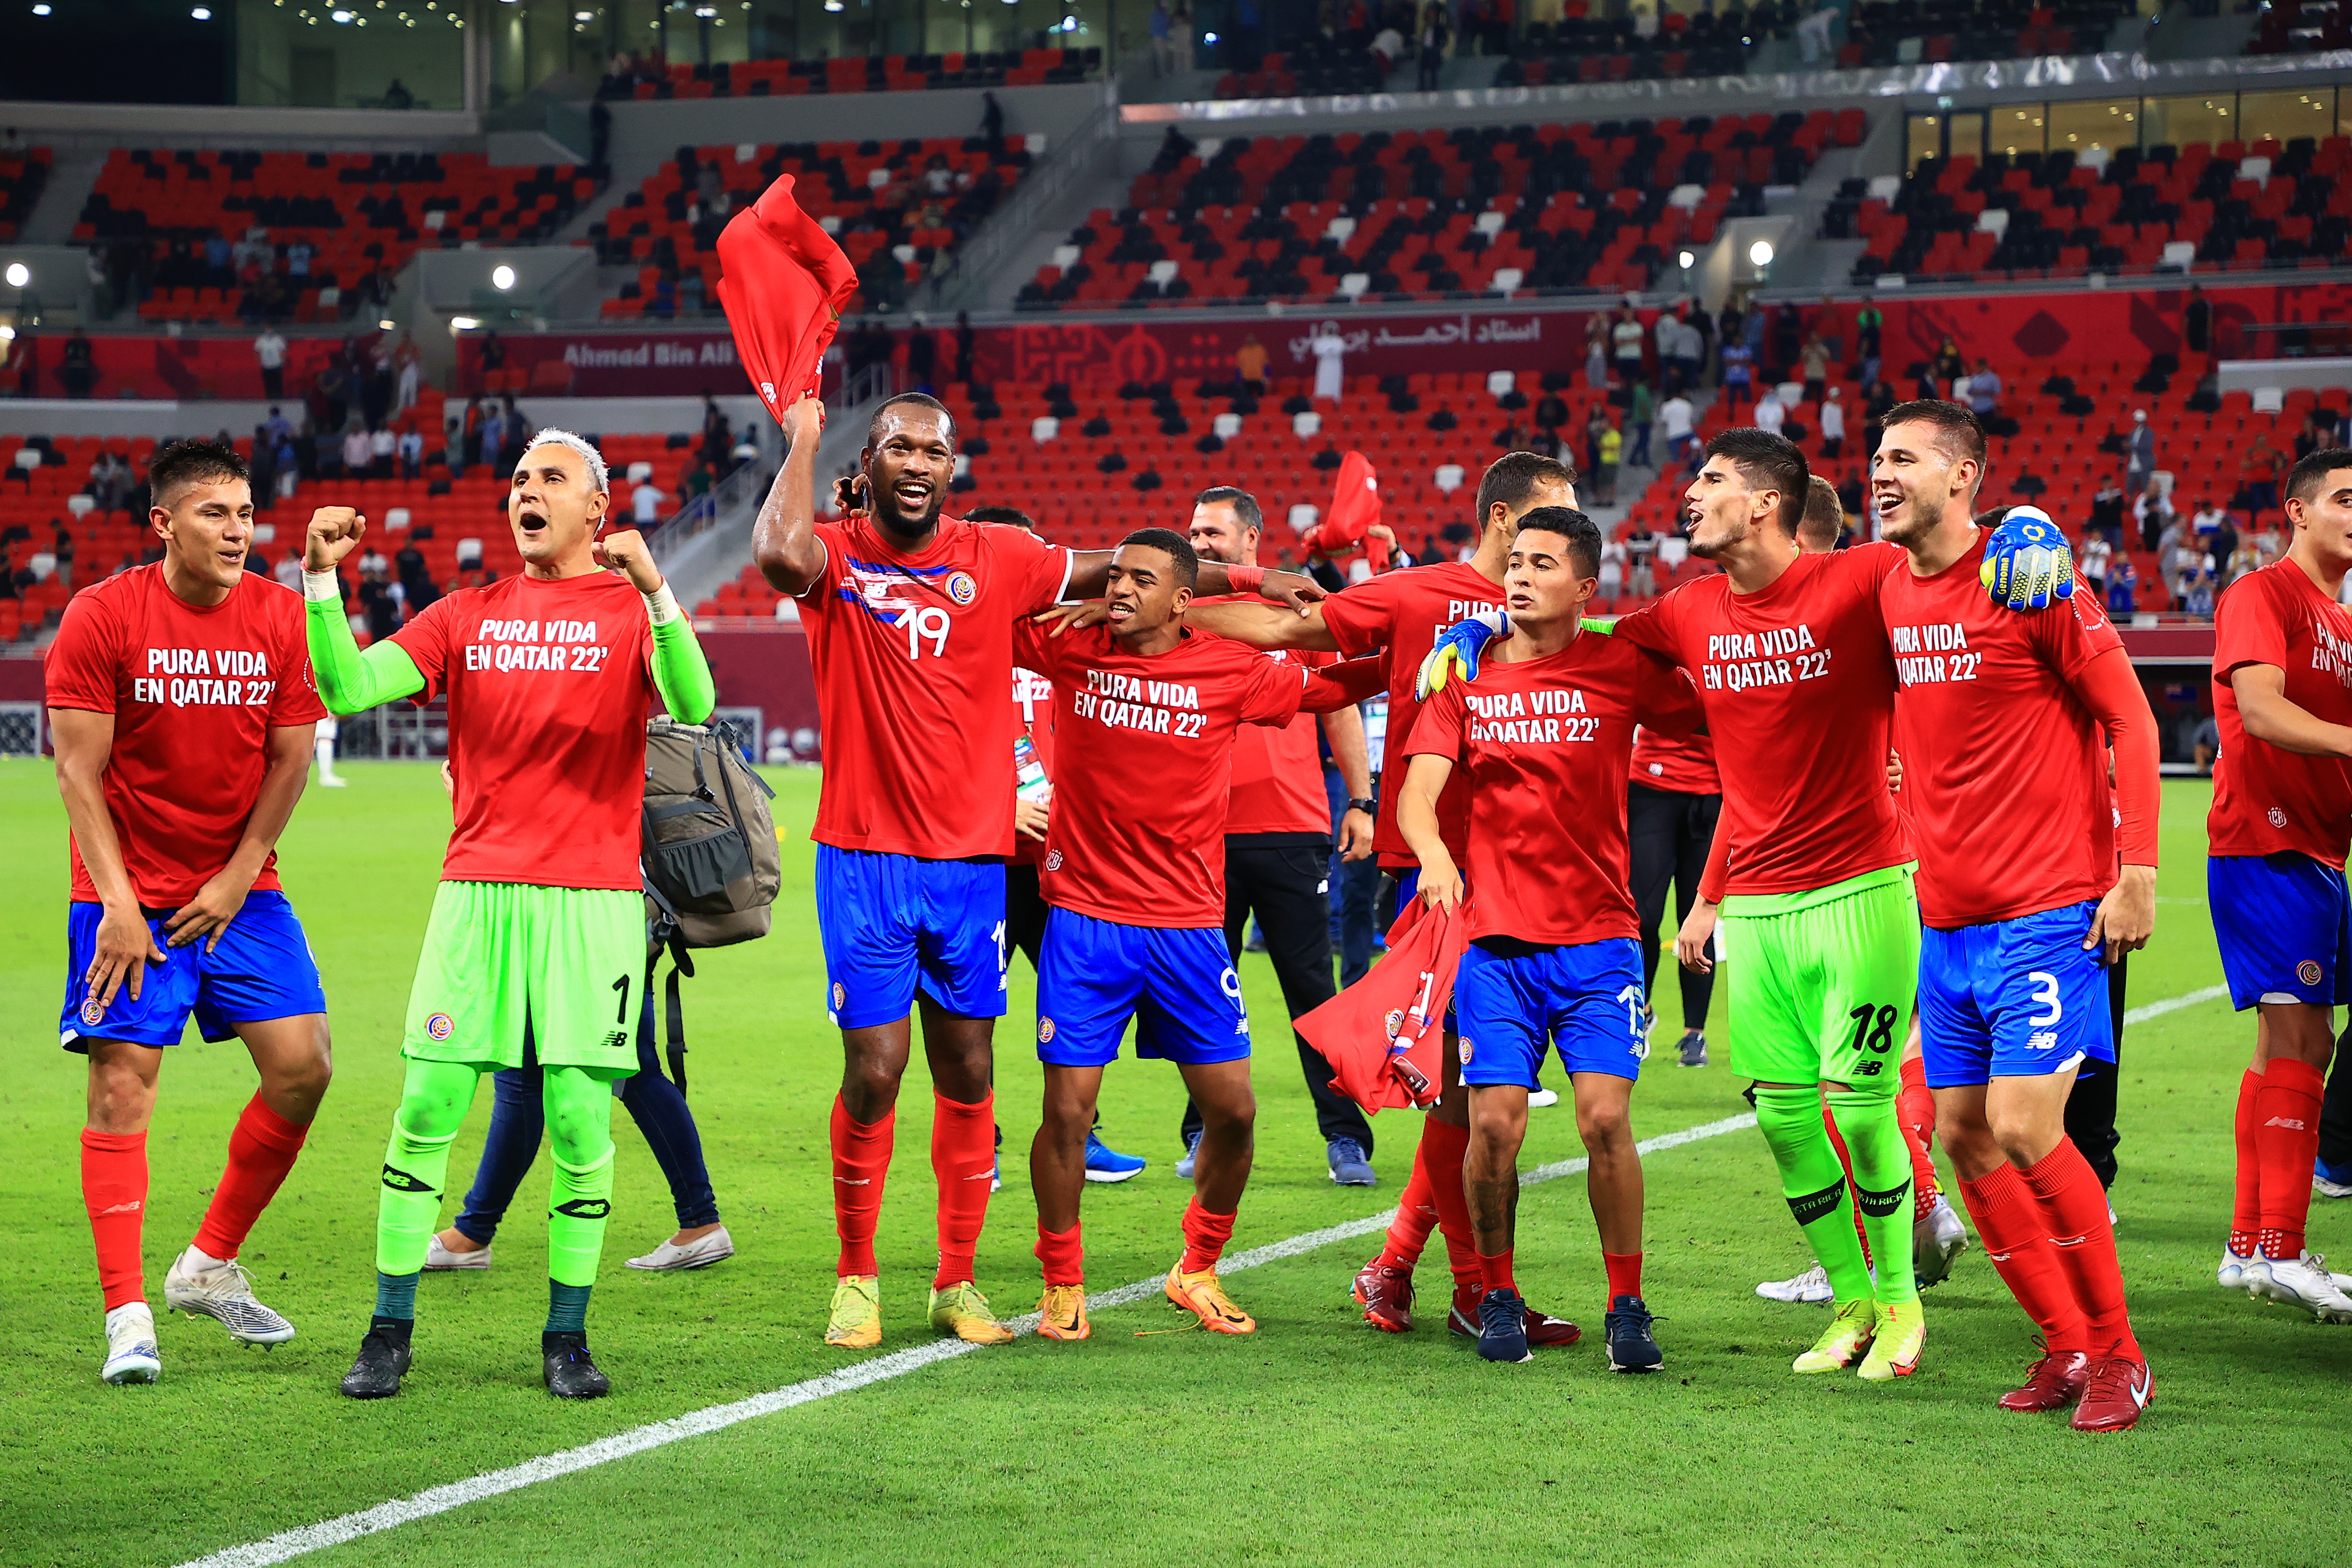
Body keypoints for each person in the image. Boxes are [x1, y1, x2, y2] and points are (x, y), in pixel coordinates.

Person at [750, 392, 1319, 1352]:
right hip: (865, 855)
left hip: (972, 862)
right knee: (877, 1072)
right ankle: (856, 1273)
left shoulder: (1002, 559)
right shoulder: (839, 556)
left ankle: (957, 1281)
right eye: (899, 446)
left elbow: (1136, 569)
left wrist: (1257, 576)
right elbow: (775, 552)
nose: (920, 461)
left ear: (954, 467)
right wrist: (803, 439)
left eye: (936, 449)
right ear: (874, 461)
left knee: (969, 1070)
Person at [306, 430, 717, 1400]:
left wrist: (657, 590)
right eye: (521, 479)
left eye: (551, 479)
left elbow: (694, 703)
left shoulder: (627, 611)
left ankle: (566, 1340)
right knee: (427, 1108)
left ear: (595, 512)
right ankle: (387, 1331)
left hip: (595, 902)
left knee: (579, 1117)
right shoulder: (468, 613)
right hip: (478, 893)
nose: (526, 492)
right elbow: (347, 687)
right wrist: (321, 582)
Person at [1178, 452, 1587, 1344]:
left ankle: (1400, 1266)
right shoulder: (1414, 597)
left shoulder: (1561, 618)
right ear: (1507, 519)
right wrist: (1175, 611)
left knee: (1473, 1091)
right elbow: (1296, 632)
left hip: (1538, 877)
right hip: (1444, 875)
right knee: (1467, 1093)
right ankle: (1472, 1290)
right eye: (1560, 512)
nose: (1574, 528)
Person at [1615, 430, 1929, 1382]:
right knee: (1788, 1121)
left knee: (1865, 1112)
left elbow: (1953, 558)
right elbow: (1589, 637)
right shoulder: (1690, 609)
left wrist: (2029, 526)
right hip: (1757, 908)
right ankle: (1850, 1307)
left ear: (1763, 502)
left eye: (1709, 481)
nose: (1688, 495)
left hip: (1864, 891)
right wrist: (1488, 629)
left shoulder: (1862, 577)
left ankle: (1905, 1304)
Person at [1871, 404, 2160, 1430]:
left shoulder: (2028, 574)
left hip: (2045, 908)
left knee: (2023, 1125)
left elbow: (2129, 713)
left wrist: (2136, 869)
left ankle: (2121, 1354)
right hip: (1942, 920)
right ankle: (2063, 1349)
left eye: (1903, 458)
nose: (1881, 473)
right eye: (1876, 458)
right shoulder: (1883, 589)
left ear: (1964, 476)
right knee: (1960, 1135)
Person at [47, 439, 333, 1386]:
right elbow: (79, 776)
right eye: (216, 514)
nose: (239, 532)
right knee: (123, 1087)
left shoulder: (280, 618)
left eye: (247, 514)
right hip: (128, 890)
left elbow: (291, 761)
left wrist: (240, 873)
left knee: (304, 1070)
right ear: (164, 524)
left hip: (240, 891)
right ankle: (128, 1316)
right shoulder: (103, 615)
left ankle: (206, 1265)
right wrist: (121, 908)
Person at [1021, 528, 1353, 1339]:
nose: (1118, 587)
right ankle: (1062, 1277)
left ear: (1183, 599)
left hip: (1190, 927)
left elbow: (1334, 683)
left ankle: (1197, 1264)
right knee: (1068, 1111)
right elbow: (981, 612)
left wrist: (1444, 652)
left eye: (1140, 578)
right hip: (1087, 920)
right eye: (1115, 574)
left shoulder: (1228, 666)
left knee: (1233, 1111)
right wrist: (1074, 596)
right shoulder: (1071, 643)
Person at [1399, 507, 1692, 1368]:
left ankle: (1628, 1306)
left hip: (1601, 941)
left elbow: (1726, 713)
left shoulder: (1618, 664)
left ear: (1586, 588)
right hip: (1494, 949)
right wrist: (1433, 855)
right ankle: (1495, 1294)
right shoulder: (1464, 674)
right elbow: (1419, 792)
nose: (1520, 576)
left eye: (1543, 564)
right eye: (1514, 562)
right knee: (1495, 1127)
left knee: (1605, 1120)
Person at [1183, 488, 1381, 1184]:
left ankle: (1344, 1136)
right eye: (1193, 532)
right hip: (1198, 831)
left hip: (1291, 829)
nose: (1199, 542)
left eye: (1213, 532)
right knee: (1199, 989)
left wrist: (1359, 798)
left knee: (1313, 993)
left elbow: (1341, 710)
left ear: (1252, 542)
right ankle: (1200, 1130)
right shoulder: (1176, 615)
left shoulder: (1299, 615)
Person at [2206, 447, 2352, 1323]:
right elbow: (2259, 710)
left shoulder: (2340, 621)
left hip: (2318, 859)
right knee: (2298, 1039)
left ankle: (2250, 1245)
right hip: (2266, 848)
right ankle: (2286, 1250)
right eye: (2343, 498)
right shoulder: (2263, 594)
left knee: (2296, 1049)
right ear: (2296, 511)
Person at [1311, 325, 1346, 403]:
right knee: (1323, 380)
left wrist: (1331, 352)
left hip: (1335, 364)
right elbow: (1317, 351)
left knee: (1335, 380)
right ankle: (1322, 398)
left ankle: (1335, 398)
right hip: (1324, 364)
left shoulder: (1339, 341)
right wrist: (1328, 352)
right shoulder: (1320, 341)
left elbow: (1340, 350)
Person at [255, 328, 288, 401]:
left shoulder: (279, 339)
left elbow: (283, 351)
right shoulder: (261, 340)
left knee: (278, 385)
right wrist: (259, 363)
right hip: (266, 366)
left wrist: (283, 361)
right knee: (268, 386)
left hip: (277, 365)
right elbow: (257, 352)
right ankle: (270, 400)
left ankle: (280, 400)